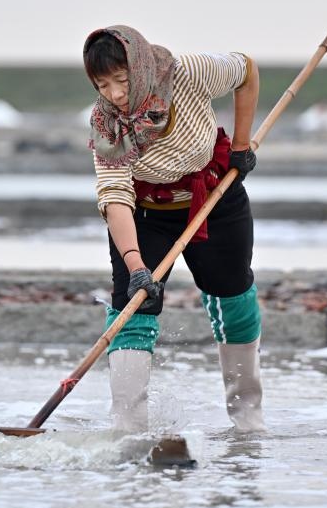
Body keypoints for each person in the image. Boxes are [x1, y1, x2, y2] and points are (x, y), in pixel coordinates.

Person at [82, 25, 265, 433]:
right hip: (145, 212)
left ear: (142, 68)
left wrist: (242, 143)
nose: (114, 94)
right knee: (134, 306)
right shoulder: (106, 123)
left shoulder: (188, 73)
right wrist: (135, 266)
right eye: (102, 84)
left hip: (214, 195)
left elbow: (246, 70)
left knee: (233, 295)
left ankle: (248, 418)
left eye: (122, 80)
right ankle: (128, 427)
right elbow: (115, 196)